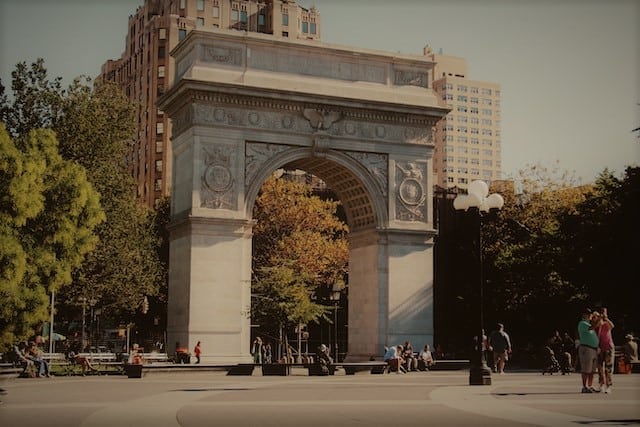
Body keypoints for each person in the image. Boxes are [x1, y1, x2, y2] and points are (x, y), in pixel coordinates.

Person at [577, 308, 600, 393]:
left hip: (593, 349)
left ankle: (590, 386)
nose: (591, 315)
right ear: (585, 315)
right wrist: (600, 318)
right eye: (589, 314)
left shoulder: (588, 323)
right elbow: (593, 327)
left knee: (592, 370)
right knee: (586, 369)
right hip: (586, 348)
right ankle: (584, 386)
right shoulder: (582, 323)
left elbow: (595, 326)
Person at [596, 308, 615, 393]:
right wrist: (599, 318)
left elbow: (612, 326)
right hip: (600, 347)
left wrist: (606, 318)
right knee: (600, 367)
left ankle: (608, 386)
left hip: (608, 347)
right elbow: (595, 327)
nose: (603, 315)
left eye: (604, 313)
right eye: (602, 313)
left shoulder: (607, 323)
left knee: (608, 368)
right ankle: (601, 384)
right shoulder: (598, 323)